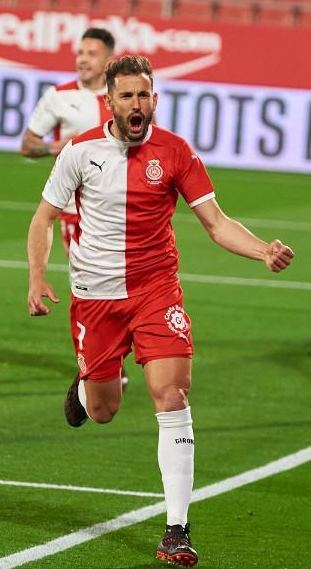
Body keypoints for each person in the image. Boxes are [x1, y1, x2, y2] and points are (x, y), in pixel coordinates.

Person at [26, 55, 294, 566]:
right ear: (109, 101)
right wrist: (37, 278)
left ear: (155, 100)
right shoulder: (79, 152)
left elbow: (215, 222)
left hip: (156, 291)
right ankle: (87, 387)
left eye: (144, 95)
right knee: (103, 411)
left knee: (171, 394)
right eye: (126, 95)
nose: (136, 104)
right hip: (96, 298)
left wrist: (261, 249)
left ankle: (176, 528)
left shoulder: (175, 152)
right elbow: (42, 220)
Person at [19, 27, 115, 255]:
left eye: (92, 54)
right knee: (87, 280)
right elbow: (28, 145)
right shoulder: (58, 96)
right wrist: (55, 147)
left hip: (121, 205)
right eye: (80, 53)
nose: (83, 59)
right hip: (75, 206)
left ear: (109, 60)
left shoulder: (125, 95)